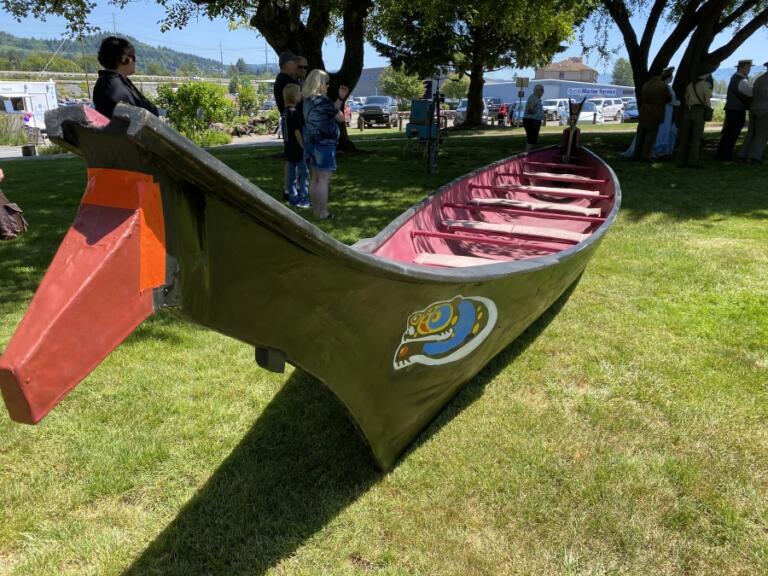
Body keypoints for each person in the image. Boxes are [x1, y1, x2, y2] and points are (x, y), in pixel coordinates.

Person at [302, 69, 349, 220]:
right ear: (320, 84)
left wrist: (339, 99)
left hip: (311, 142)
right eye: (326, 83)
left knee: (315, 178)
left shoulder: (308, 100)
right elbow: (341, 118)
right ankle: (323, 213)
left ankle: (316, 210)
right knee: (323, 179)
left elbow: (330, 111)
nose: (328, 86)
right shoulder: (323, 100)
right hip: (324, 144)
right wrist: (341, 100)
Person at [93, 36, 158, 119]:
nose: (135, 61)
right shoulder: (115, 86)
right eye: (133, 57)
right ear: (124, 58)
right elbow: (151, 113)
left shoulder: (106, 81)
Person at [274, 52, 301, 199]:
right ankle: (291, 188)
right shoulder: (287, 81)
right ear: (287, 64)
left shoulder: (282, 80)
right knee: (294, 158)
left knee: (291, 158)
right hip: (293, 122)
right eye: (294, 63)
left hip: (287, 121)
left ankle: (290, 187)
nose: (297, 66)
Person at [630, 68, 672, 162]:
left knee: (641, 134)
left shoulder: (646, 84)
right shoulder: (662, 85)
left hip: (645, 111)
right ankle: (646, 156)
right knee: (651, 135)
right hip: (656, 111)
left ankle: (636, 154)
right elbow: (669, 98)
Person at [716, 59, 753, 160]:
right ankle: (726, 155)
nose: (749, 70)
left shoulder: (735, 77)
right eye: (747, 67)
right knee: (733, 133)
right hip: (737, 109)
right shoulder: (741, 79)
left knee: (728, 132)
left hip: (732, 108)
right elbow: (750, 93)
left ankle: (721, 154)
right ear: (741, 67)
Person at [676, 71, 713, 168]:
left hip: (689, 110)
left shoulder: (690, 85)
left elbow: (686, 99)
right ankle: (693, 161)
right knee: (696, 138)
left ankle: (680, 161)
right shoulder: (706, 85)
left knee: (685, 138)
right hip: (699, 111)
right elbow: (707, 100)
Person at [282, 84, 310, 208]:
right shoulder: (294, 113)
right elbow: (297, 132)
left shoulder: (285, 113)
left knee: (291, 174)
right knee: (304, 173)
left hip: (288, 147)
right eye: (299, 92)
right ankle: (303, 197)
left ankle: (293, 197)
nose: (301, 95)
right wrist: (302, 145)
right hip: (297, 148)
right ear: (294, 96)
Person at [740, 60, 768, 164]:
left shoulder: (759, 79)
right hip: (765, 109)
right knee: (761, 134)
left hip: (754, 107)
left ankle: (743, 154)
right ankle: (755, 157)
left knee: (751, 133)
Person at [654, 67, 680, 156]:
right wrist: (678, 103)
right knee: (663, 128)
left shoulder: (666, 87)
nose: (672, 78)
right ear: (668, 77)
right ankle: (659, 149)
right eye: (671, 76)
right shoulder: (665, 87)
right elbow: (669, 100)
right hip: (665, 109)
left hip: (668, 110)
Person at [522, 84, 545, 152]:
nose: (543, 92)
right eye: (542, 90)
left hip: (533, 120)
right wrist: (537, 113)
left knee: (532, 139)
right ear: (538, 91)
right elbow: (530, 109)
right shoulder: (533, 98)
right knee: (532, 139)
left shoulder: (536, 98)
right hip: (532, 121)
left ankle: (527, 152)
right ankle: (525, 154)